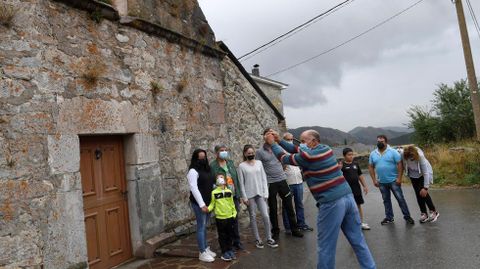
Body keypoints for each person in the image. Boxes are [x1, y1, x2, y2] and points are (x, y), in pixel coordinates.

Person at [267, 129, 375, 269]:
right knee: (358, 239)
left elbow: (283, 158)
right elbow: (296, 148)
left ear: (314, 141)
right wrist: (279, 140)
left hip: (331, 203)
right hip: (348, 198)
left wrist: (272, 144)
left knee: (326, 246)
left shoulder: (307, 157)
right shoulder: (326, 149)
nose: (300, 143)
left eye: (303, 141)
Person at [256, 128, 303, 240]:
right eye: (268, 134)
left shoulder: (279, 148)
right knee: (273, 208)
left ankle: (294, 229)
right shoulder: (259, 152)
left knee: (289, 206)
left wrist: (282, 168)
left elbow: (285, 160)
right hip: (270, 183)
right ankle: (275, 232)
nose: (270, 136)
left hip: (282, 180)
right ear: (264, 136)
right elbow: (258, 167)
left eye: (272, 133)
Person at [237, 144, 279, 249]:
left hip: (260, 193)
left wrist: (266, 193)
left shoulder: (259, 163)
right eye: (248, 153)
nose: (251, 154)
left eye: (252, 153)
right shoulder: (241, 166)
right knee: (253, 216)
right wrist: (244, 197)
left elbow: (264, 178)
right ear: (245, 154)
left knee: (265, 215)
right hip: (249, 195)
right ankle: (257, 239)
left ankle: (269, 238)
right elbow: (241, 183)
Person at [368, 135, 415, 225]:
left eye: (382, 141)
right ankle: (389, 218)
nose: (380, 143)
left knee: (400, 199)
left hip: (394, 181)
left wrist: (399, 178)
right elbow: (370, 167)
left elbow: (399, 164)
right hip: (381, 182)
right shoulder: (373, 154)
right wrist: (374, 180)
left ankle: (407, 217)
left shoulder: (393, 152)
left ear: (386, 142)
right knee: (386, 200)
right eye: (378, 141)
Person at [210, 145, 244, 250]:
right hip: (223, 198)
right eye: (221, 150)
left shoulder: (230, 163)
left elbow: (236, 180)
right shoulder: (213, 166)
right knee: (226, 223)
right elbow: (212, 182)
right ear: (216, 153)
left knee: (235, 219)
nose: (224, 152)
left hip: (233, 196)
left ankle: (237, 241)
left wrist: (239, 195)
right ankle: (228, 244)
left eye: (225, 150)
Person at [187, 149, 216, 262]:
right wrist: (201, 204)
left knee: (205, 227)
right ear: (195, 158)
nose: (202, 160)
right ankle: (202, 252)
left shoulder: (207, 169)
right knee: (201, 226)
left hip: (209, 203)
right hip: (199, 204)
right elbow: (194, 188)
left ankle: (205, 248)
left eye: (204, 157)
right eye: (200, 158)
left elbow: (211, 183)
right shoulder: (193, 171)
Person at [282, 132, 314, 232]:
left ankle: (301, 224)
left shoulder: (296, 151)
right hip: (288, 182)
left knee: (299, 204)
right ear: (284, 141)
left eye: (291, 139)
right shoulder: (281, 152)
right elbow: (280, 168)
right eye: (288, 140)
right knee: (287, 206)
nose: (290, 141)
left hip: (298, 181)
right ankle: (288, 227)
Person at [402, 145, 439, 223]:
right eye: (409, 158)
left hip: (422, 174)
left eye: (412, 157)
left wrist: (425, 188)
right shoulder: (403, 154)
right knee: (418, 194)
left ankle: (434, 211)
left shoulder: (420, 156)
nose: (411, 159)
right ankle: (424, 213)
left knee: (423, 193)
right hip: (413, 176)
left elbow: (426, 173)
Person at [208, 174, 237, 262]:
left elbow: (232, 203)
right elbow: (212, 204)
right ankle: (224, 252)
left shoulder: (229, 191)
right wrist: (207, 209)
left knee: (230, 234)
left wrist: (234, 213)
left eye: (221, 178)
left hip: (230, 217)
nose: (220, 179)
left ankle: (230, 250)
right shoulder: (214, 192)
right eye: (218, 178)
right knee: (222, 235)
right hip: (220, 218)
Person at [341, 148, 370, 230]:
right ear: (344, 156)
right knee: (347, 208)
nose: (351, 156)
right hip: (346, 191)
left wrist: (365, 186)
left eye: (352, 154)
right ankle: (349, 225)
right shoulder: (341, 166)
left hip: (356, 189)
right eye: (349, 155)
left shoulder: (356, 164)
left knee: (358, 206)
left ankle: (360, 223)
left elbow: (360, 175)